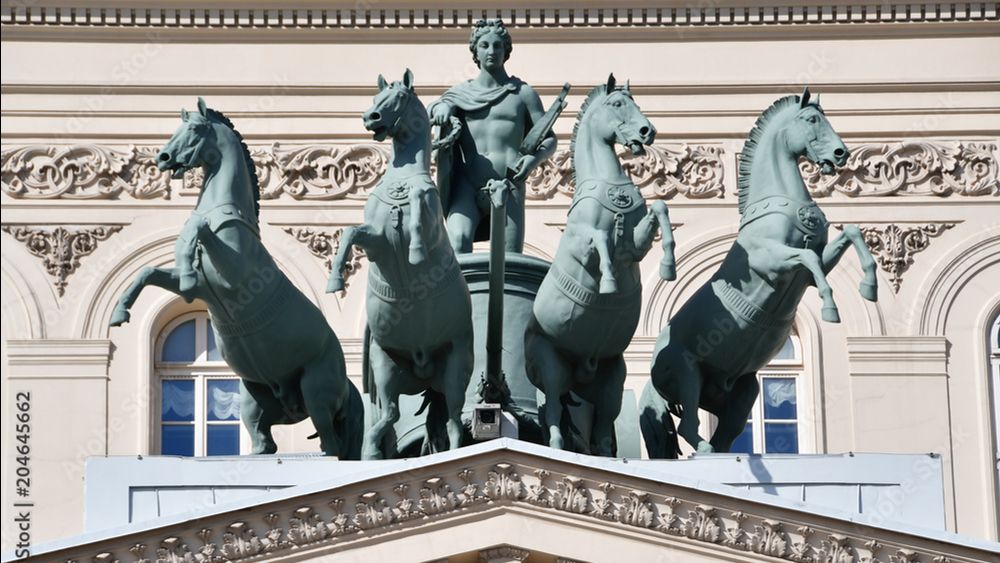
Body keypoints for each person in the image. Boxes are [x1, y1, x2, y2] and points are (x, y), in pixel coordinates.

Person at [428, 19, 557, 253]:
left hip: (509, 184)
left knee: (510, 258)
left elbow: (549, 139)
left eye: (498, 46)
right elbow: (435, 108)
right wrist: (441, 109)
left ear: (506, 52)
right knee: (458, 241)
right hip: (467, 185)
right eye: (485, 45)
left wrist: (533, 160)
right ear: (475, 51)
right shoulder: (459, 94)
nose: (491, 51)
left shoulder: (523, 94)